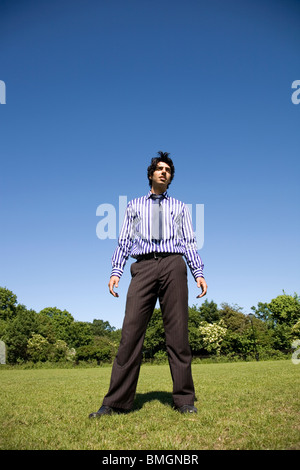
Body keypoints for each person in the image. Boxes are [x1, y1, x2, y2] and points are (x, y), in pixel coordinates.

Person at [89, 151, 207, 418]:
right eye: (159, 168)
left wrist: (198, 272)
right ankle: (114, 402)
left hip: (173, 265)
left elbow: (189, 242)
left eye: (168, 169)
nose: (163, 172)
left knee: (178, 335)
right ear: (151, 174)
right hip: (142, 267)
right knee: (130, 334)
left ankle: (184, 400)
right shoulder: (133, 206)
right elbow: (124, 241)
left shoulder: (180, 207)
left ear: (170, 177)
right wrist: (116, 271)